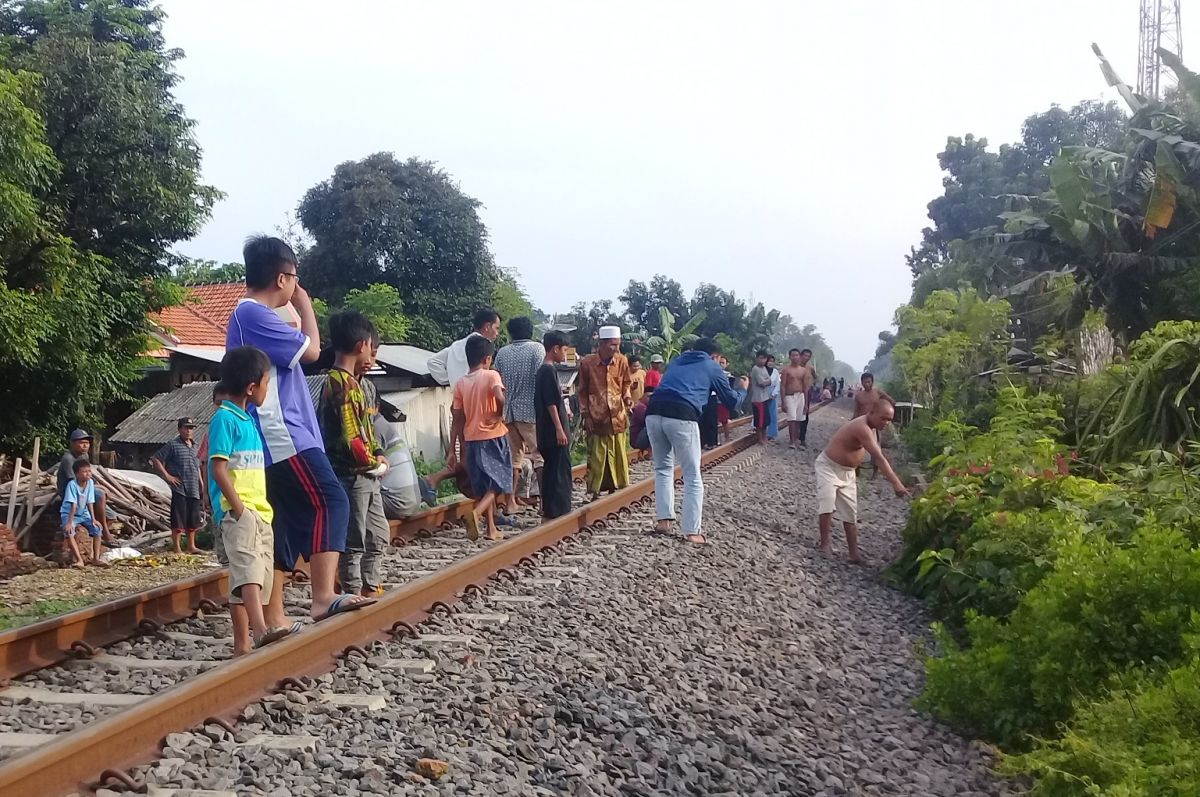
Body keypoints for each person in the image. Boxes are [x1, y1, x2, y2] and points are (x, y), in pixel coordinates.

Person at [227, 234, 373, 624]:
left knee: (284, 524)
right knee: (331, 500)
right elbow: (310, 351)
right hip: (282, 432)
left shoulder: (252, 317)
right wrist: (304, 304)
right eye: (295, 278)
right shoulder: (252, 314)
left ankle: (275, 618)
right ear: (282, 279)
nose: (297, 286)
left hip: (277, 434)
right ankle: (324, 597)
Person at [208, 345, 292, 654]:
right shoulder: (224, 420)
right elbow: (218, 468)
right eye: (267, 383)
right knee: (249, 571)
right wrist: (238, 507)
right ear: (251, 386)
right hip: (239, 510)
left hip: (259, 511)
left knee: (254, 577)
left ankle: (242, 643)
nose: (267, 390)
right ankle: (260, 629)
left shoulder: (248, 421)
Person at [319, 311, 391, 599]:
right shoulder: (343, 385)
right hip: (353, 475)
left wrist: (377, 454)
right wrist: (377, 462)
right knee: (355, 539)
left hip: (365, 475)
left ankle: (369, 586)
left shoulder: (355, 383)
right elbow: (352, 439)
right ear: (362, 344)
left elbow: (366, 432)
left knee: (377, 535)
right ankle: (352, 592)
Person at [646, 338, 740, 545]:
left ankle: (664, 521)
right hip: (681, 414)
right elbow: (730, 401)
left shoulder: (677, 361)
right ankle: (692, 531)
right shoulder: (711, 366)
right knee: (692, 475)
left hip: (653, 412)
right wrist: (742, 390)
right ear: (714, 356)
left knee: (662, 468)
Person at [816, 402, 910, 563]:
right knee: (827, 503)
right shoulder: (862, 427)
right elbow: (879, 457)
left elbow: (877, 454)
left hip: (848, 472)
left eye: (889, 420)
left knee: (850, 512)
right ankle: (825, 544)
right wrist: (896, 483)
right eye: (883, 418)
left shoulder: (874, 429)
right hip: (829, 467)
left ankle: (854, 553)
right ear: (872, 412)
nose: (886, 423)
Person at [448, 335, 512, 540]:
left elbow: (457, 419)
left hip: (472, 440)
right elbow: (500, 397)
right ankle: (475, 514)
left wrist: (452, 449)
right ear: (487, 359)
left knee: (484, 485)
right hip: (493, 436)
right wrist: (499, 414)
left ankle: (491, 528)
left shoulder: (460, 384)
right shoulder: (491, 375)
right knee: (498, 482)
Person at [492, 316, 545, 510]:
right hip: (530, 411)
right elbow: (542, 378)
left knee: (514, 459)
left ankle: (510, 501)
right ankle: (544, 501)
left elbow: (497, 379)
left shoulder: (502, 353)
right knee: (540, 455)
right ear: (530, 331)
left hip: (508, 412)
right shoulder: (537, 349)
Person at [576, 325, 633, 500]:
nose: (616, 348)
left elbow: (626, 384)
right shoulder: (587, 363)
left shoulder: (622, 361)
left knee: (618, 452)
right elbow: (582, 391)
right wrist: (586, 415)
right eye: (612, 345)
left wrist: (628, 398)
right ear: (601, 343)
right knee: (598, 455)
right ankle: (595, 489)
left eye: (618, 344)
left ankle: (616, 487)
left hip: (617, 415)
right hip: (596, 415)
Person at [151, 417, 205, 554]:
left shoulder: (195, 446)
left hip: (193, 487)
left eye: (191, 428)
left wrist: (201, 481)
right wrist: (167, 476)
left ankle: (191, 546)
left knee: (193, 518)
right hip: (179, 487)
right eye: (186, 428)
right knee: (178, 518)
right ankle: (177, 547)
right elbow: (156, 458)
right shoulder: (172, 445)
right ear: (180, 429)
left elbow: (198, 466)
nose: (188, 431)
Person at [535, 330, 573, 519]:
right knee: (558, 471)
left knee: (553, 470)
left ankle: (551, 510)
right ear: (555, 348)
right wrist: (559, 428)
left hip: (546, 431)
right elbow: (551, 402)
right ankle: (558, 510)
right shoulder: (548, 370)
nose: (565, 354)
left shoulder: (544, 370)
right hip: (552, 431)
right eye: (564, 349)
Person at [57, 429, 113, 545]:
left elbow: (87, 475)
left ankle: (103, 530)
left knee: (102, 496)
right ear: (72, 444)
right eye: (81, 443)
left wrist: (98, 486)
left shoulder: (85, 456)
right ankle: (106, 533)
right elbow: (74, 481)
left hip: (82, 488)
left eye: (87, 443)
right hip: (70, 490)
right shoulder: (68, 458)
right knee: (98, 495)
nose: (85, 446)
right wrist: (93, 488)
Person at [427, 307, 503, 390]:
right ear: (487, 326)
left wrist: (451, 380)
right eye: (496, 328)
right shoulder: (484, 347)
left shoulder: (457, 346)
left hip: (460, 395)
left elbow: (433, 362)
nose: (497, 333)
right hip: (477, 394)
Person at [60, 457, 107, 568]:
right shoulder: (72, 485)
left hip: (83, 513)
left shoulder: (90, 483)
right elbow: (73, 505)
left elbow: (90, 501)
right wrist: (69, 522)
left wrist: (93, 519)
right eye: (84, 472)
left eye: (89, 471)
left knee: (97, 529)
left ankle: (96, 558)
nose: (88, 474)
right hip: (69, 514)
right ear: (77, 474)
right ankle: (79, 560)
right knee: (70, 532)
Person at [781, 348, 816, 449]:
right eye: (793, 355)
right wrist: (783, 401)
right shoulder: (786, 370)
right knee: (791, 418)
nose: (795, 357)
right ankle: (791, 441)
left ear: (798, 356)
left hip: (800, 396)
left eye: (797, 355)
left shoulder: (804, 370)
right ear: (790, 357)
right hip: (790, 396)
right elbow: (783, 385)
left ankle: (796, 440)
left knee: (798, 419)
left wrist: (805, 403)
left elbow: (805, 386)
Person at [748, 351, 772, 445]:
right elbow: (762, 383)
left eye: (764, 358)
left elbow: (769, 381)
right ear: (756, 358)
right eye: (760, 358)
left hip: (765, 398)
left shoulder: (764, 369)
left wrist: (767, 382)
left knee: (765, 420)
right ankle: (760, 439)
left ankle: (764, 437)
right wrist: (767, 381)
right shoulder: (756, 369)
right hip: (758, 399)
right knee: (759, 420)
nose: (762, 360)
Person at [766, 355, 781, 441]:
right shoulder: (762, 370)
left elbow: (778, 384)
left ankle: (771, 433)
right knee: (762, 413)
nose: (770, 363)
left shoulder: (775, 372)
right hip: (762, 393)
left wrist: (774, 393)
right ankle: (759, 430)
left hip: (773, 394)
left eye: (772, 361)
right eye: (769, 360)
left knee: (773, 414)